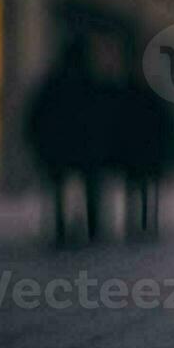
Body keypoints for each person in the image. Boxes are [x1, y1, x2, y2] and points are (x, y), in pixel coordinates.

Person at [26, 35, 111, 247]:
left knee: (59, 191)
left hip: (60, 147)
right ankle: (92, 230)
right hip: (86, 147)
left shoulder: (55, 82)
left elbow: (38, 114)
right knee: (90, 189)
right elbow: (105, 118)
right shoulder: (92, 83)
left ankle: (61, 229)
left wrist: (39, 142)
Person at [113, 73, 174, 239]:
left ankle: (139, 225)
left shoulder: (127, 99)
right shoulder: (151, 99)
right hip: (144, 152)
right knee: (143, 190)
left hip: (138, 152)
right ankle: (145, 225)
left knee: (139, 190)